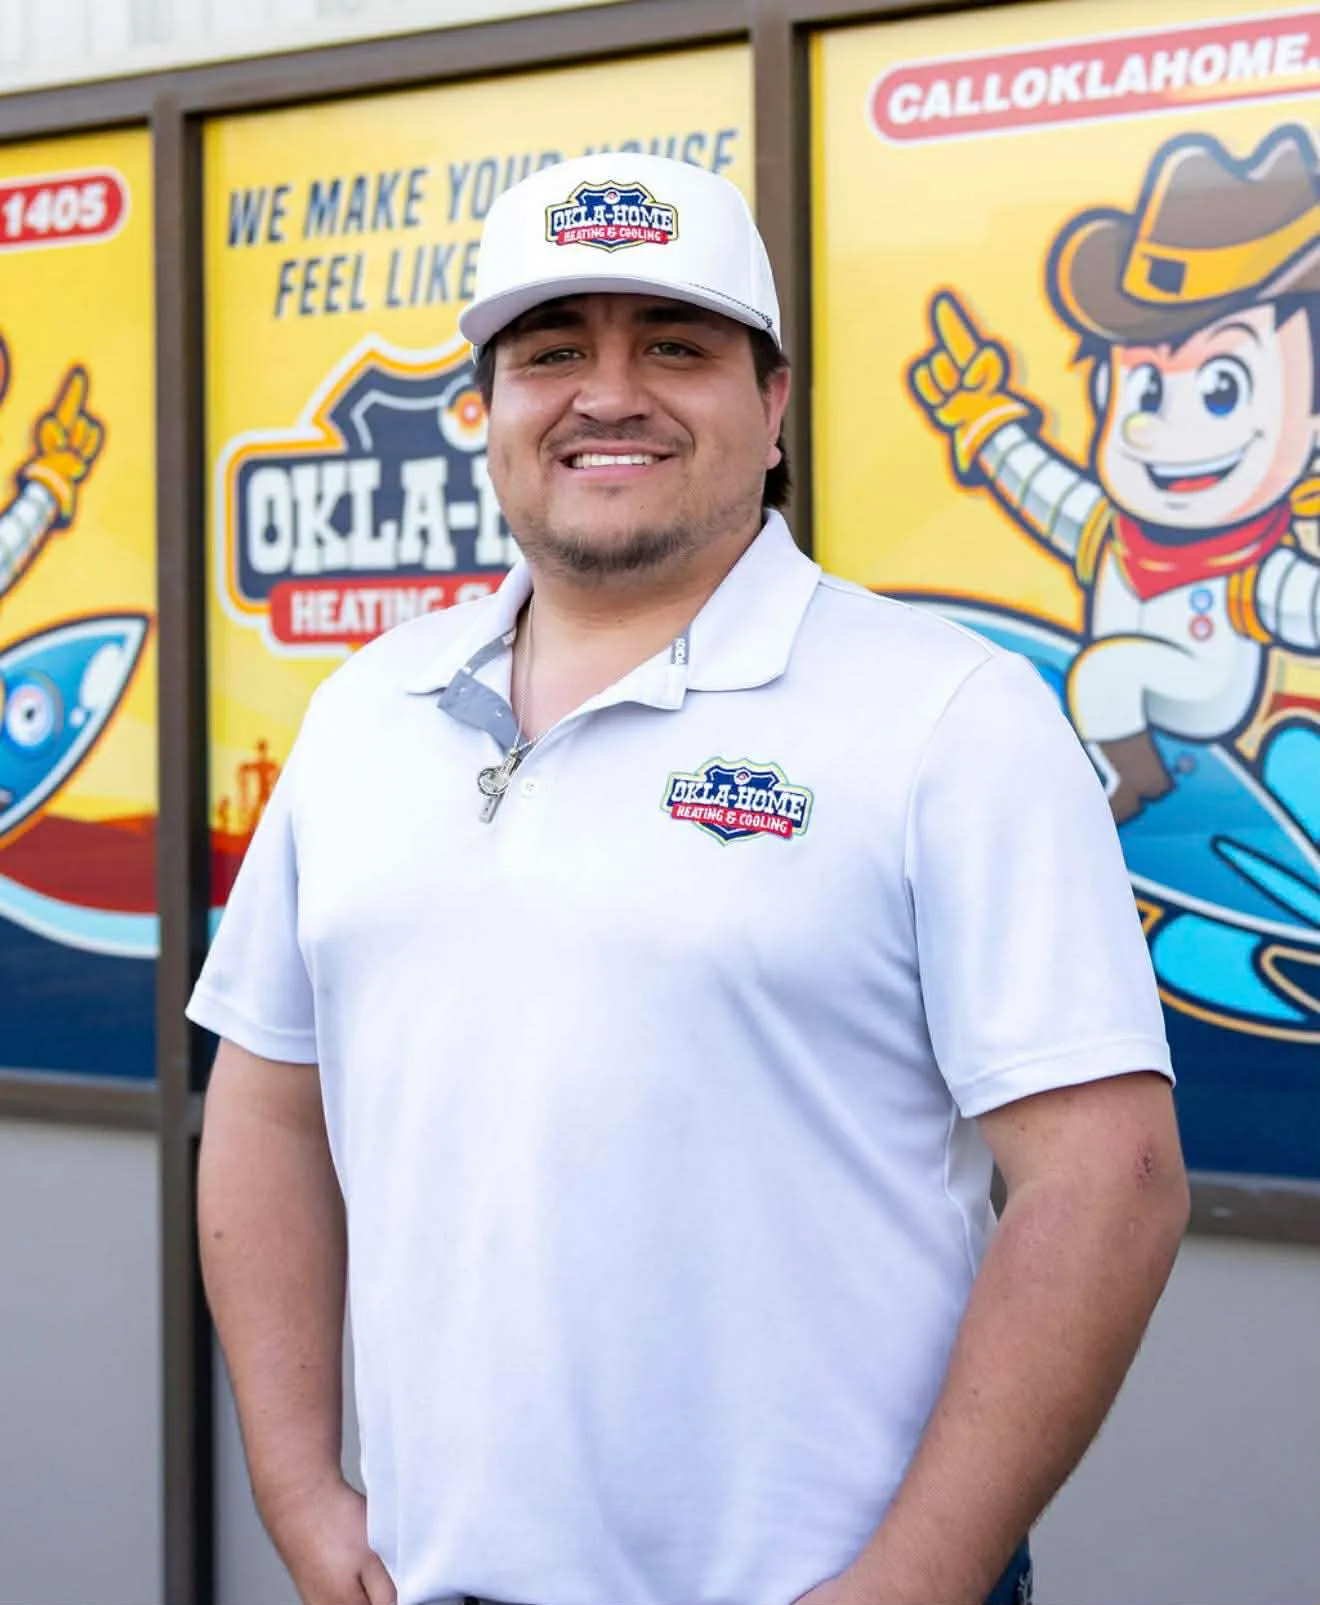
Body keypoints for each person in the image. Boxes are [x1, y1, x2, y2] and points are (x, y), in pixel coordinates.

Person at [191, 153, 1189, 1605]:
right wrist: (298, 1493)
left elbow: (1110, 1181)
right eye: (552, 352)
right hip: (435, 1576)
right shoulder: (365, 713)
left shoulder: (946, 714)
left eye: (675, 345)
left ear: (774, 407)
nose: (608, 394)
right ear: (490, 412)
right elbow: (269, 1108)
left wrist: (913, 1583)